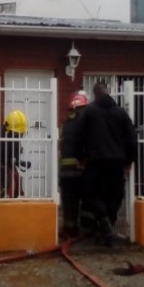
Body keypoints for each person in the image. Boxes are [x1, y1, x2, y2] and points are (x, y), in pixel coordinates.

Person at [79, 81, 138, 246]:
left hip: (95, 161)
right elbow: (132, 139)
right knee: (115, 195)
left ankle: (104, 224)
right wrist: (129, 160)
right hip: (117, 163)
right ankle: (107, 227)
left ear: (94, 94)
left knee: (92, 194)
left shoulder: (88, 112)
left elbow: (80, 136)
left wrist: (80, 157)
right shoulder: (121, 113)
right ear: (109, 92)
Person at [58, 90, 90, 238]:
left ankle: (69, 229)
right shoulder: (84, 124)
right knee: (86, 199)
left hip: (65, 171)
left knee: (69, 202)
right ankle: (86, 229)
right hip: (81, 169)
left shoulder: (65, 124)